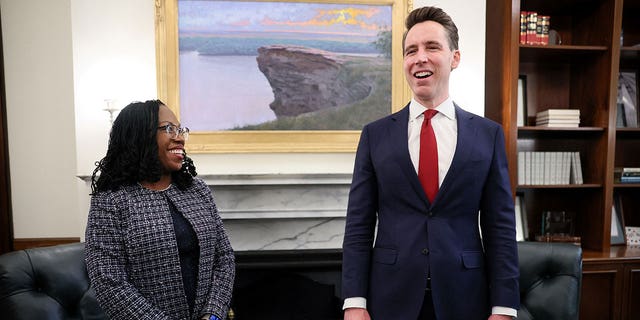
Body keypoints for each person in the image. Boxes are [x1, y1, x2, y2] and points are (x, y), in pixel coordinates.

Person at [341, 6, 519, 320]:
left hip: (465, 298)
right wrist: (355, 302)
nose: (420, 57)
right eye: (412, 50)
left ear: (455, 58)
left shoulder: (488, 135)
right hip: (389, 300)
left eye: (432, 47)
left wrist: (504, 307)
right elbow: (358, 226)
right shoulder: (374, 136)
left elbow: (500, 228)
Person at [85, 100, 235, 320]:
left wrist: (212, 315)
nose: (180, 137)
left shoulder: (197, 190)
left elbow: (223, 258)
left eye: (181, 129)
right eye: (169, 129)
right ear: (140, 136)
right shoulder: (111, 201)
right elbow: (109, 282)